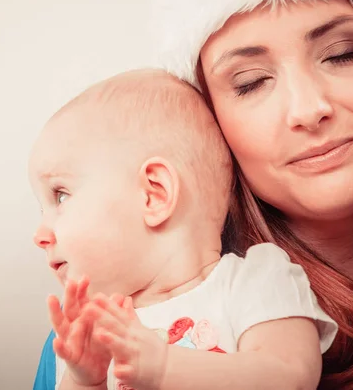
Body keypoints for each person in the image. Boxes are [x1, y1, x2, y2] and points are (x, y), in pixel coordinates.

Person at [35, 0, 353, 388]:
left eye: (341, 54)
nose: (307, 108)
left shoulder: (259, 289)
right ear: (212, 119)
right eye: (251, 82)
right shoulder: (85, 340)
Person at [29, 70, 337, 390]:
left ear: (154, 194)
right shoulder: (86, 331)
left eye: (60, 196)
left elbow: (290, 377)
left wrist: (164, 368)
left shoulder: (254, 281)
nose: (39, 234)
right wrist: (87, 381)